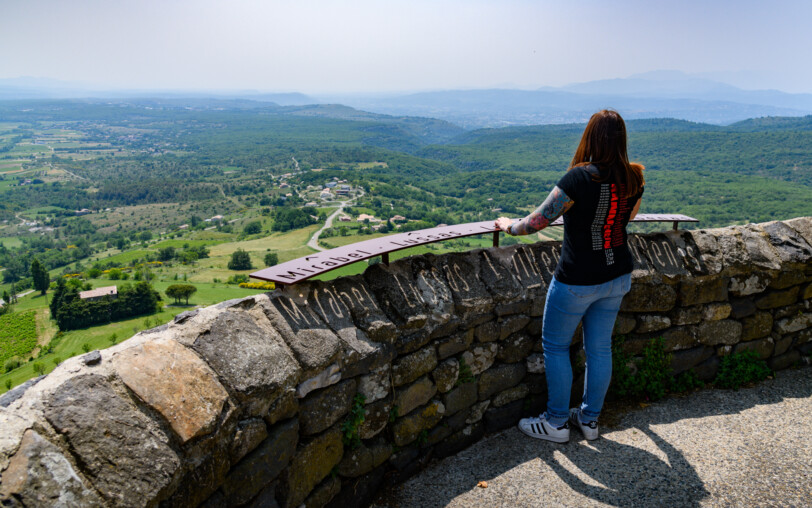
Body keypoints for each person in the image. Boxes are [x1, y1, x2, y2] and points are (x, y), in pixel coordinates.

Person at [495, 109, 644, 443]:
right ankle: (589, 420)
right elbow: (626, 218)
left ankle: (556, 423)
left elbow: (535, 223)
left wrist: (507, 225)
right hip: (617, 274)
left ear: (590, 136)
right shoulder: (635, 178)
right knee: (600, 349)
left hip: (577, 278)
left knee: (556, 346)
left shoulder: (578, 178)